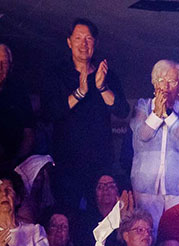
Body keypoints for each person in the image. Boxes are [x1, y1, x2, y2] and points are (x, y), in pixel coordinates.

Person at [47, 19, 128, 213]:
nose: (83, 44)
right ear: (69, 42)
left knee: (100, 215)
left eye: (88, 39)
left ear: (95, 43)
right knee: (67, 214)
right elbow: (50, 112)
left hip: (99, 164)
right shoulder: (56, 74)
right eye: (78, 38)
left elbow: (122, 111)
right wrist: (79, 93)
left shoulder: (106, 74)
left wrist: (101, 87)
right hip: (67, 163)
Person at [130, 59, 179, 230]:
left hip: (178, 184)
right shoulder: (143, 106)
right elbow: (142, 134)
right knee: (147, 231)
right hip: (146, 183)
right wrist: (156, 115)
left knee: (175, 234)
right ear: (154, 83)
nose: (165, 86)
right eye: (161, 80)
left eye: (171, 82)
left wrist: (167, 112)